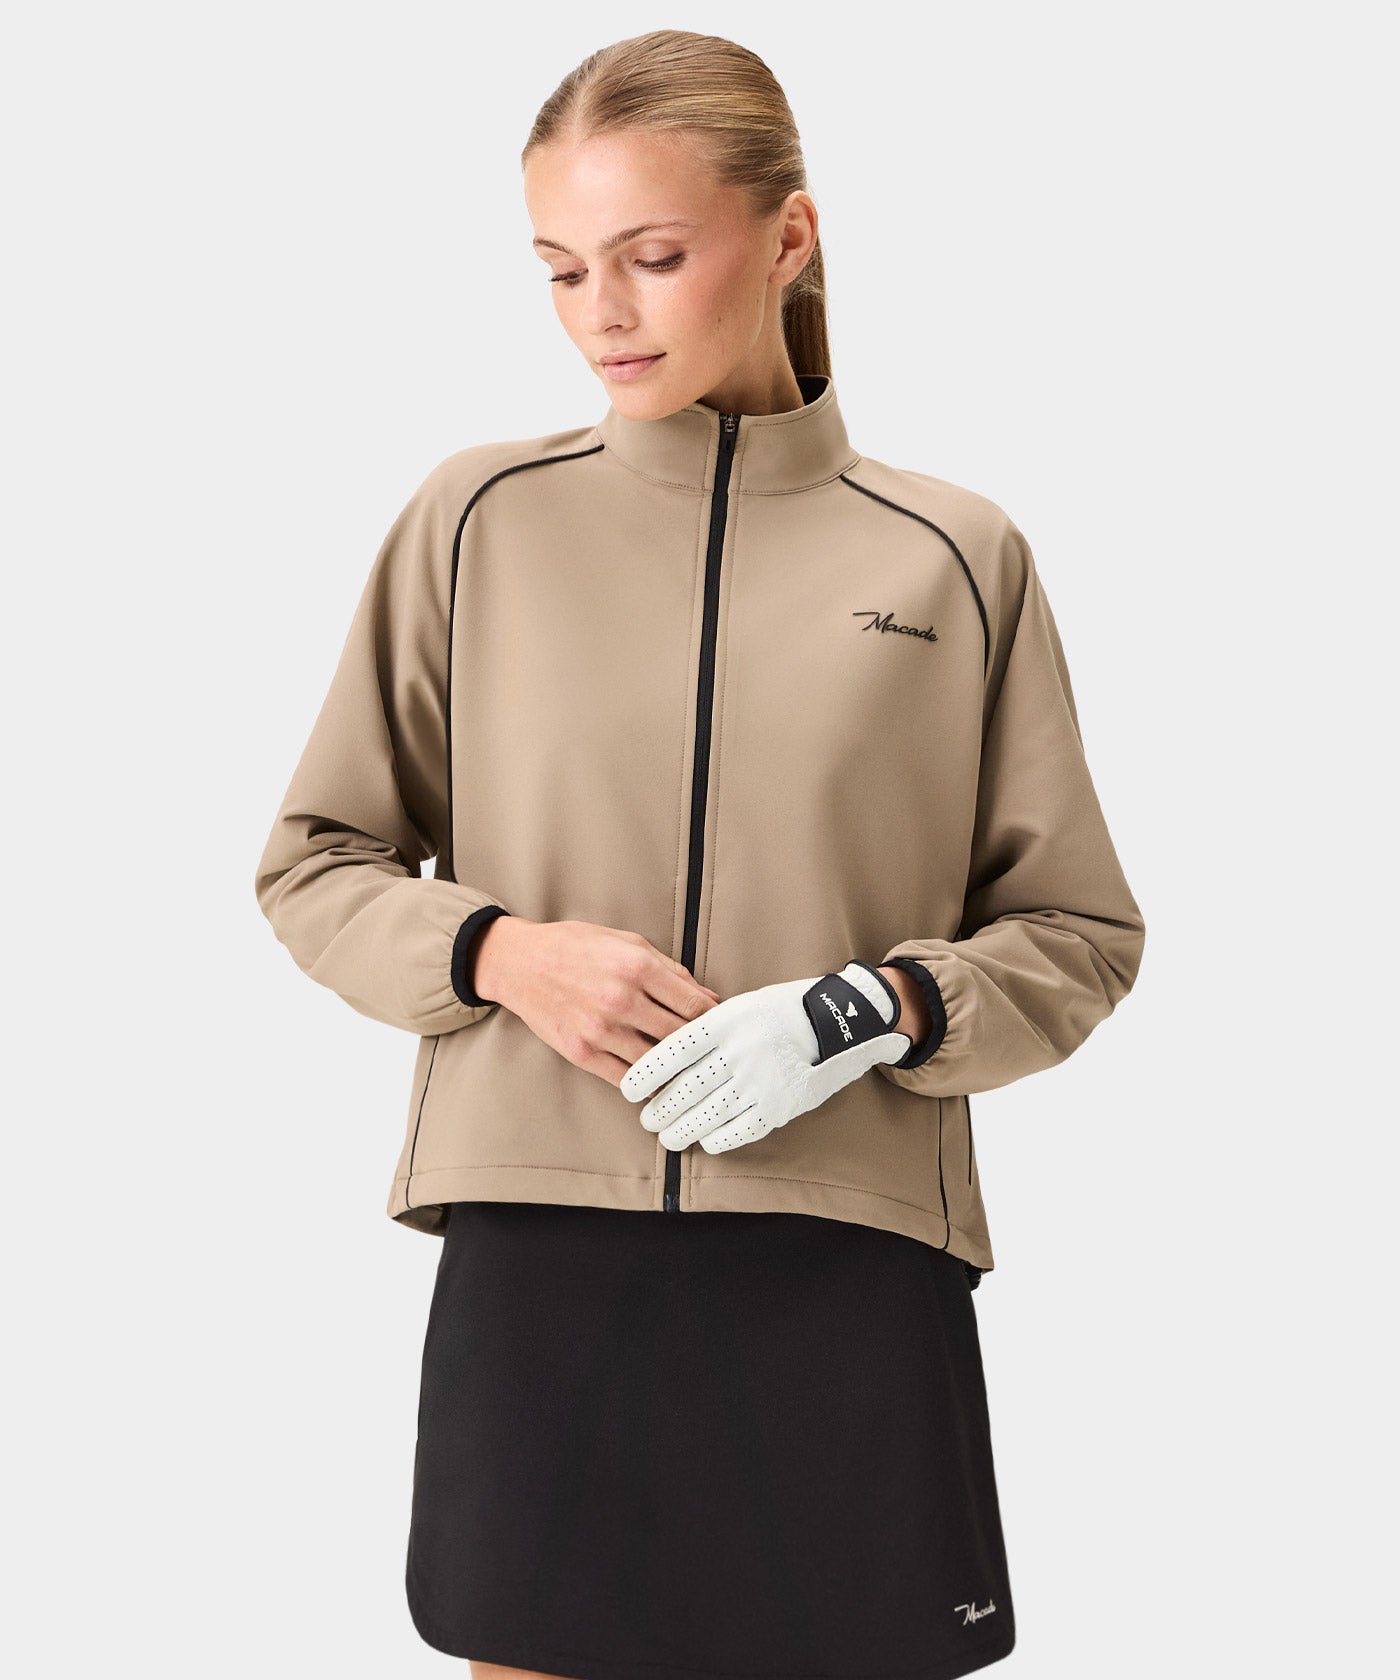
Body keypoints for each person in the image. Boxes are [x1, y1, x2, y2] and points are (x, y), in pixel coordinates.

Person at [253, 28, 1146, 1680]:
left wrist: (870, 1011)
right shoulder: (478, 519)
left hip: (848, 1247)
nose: (602, 310)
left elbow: (1078, 934)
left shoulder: (955, 556)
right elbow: (316, 861)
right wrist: (498, 954)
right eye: (561, 268)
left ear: (789, 236)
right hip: (544, 1241)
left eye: (653, 257)